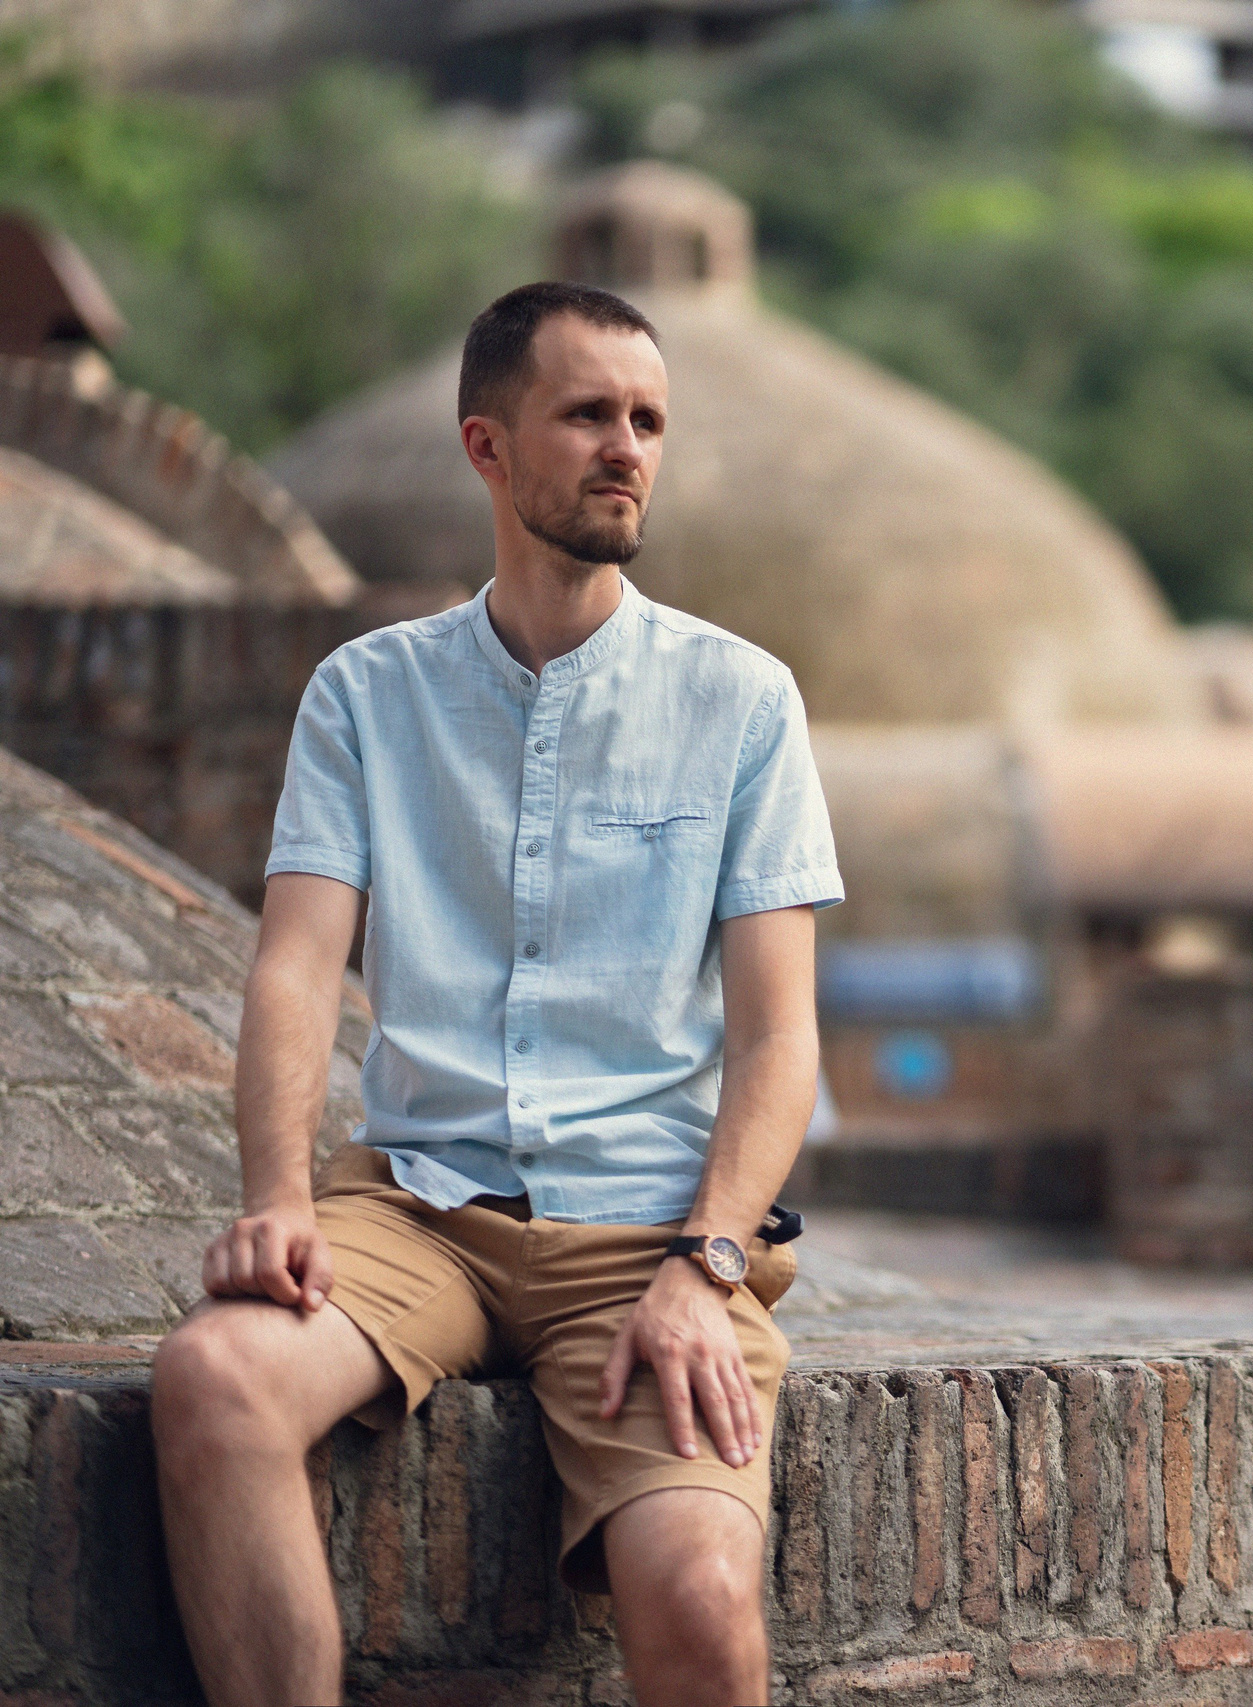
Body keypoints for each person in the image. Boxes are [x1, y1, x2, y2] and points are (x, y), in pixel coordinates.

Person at [149, 281, 843, 1707]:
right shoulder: (367, 694)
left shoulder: (743, 701)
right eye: (587, 414)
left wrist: (707, 1265)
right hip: (418, 1209)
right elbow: (295, 966)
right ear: (487, 446)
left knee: (705, 1598)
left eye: (648, 420)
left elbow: (780, 1040)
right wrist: (277, 1196)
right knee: (214, 1385)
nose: (627, 447)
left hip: (649, 1235)